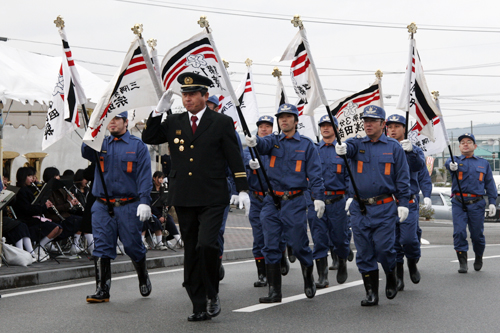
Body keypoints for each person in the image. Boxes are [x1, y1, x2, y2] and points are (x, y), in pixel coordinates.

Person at [142, 73, 250, 322]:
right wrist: (158, 111)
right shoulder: (174, 121)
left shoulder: (221, 122)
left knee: (208, 244)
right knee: (191, 250)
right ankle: (198, 304)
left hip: (213, 195)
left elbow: (234, 157)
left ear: (204, 96)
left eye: (192, 94)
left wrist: (242, 188)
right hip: (185, 196)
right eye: (185, 95)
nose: (187, 99)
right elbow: (149, 137)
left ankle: (212, 293)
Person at [246, 103, 325, 303]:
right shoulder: (273, 141)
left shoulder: (306, 145)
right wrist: (254, 141)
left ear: (296, 121)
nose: (284, 120)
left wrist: (319, 199)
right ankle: (275, 292)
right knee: (270, 245)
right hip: (272, 201)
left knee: (299, 246)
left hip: (295, 201)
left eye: (288, 117)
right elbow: (262, 146)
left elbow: (315, 175)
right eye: (281, 117)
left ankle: (308, 277)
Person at [336, 105, 410, 306]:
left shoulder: (393, 147)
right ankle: (371, 293)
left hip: (384, 206)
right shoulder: (356, 144)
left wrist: (403, 203)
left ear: (382, 124)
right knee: (364, 251)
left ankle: (391, 274)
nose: (367, 124)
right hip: (360, 208)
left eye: (372, 121)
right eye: (365, 121)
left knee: (385, 249)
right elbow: (347, 148)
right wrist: (341, 148)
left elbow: (402, 178)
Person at [82, 110, 153, 303]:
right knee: (102, 246)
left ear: (126, 122)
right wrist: (91, 130)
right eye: (109, 120)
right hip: (102, 204)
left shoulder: (137, 146)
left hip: (129, 204)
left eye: (116, 119)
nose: (112, 123)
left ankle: (142, 273)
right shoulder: (100, 143)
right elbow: (85, 151)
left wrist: (145, 201)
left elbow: (145, 176)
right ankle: (102, 289)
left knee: (132, 245)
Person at [245, 115, 288, 287]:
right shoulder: (250, 146)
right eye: (261, 126)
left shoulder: (276, 146)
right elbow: (243, 159)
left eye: (267, 126)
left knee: (279, 233)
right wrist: (250, 162)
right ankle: (262, 274)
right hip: (256, 198)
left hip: (275, 197)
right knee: (259, 236)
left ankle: (281, 254)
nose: (264, 129)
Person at [445, 133, 497, 273]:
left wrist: (492, 202)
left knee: (477, 234)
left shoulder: (483, 163)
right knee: (459, 232)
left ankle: (478, 256)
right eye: (462, 142)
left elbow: (490, 184)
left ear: (475, 146)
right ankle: (463, 262)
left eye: (469, 142)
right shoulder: (454, 160)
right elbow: (448, 164)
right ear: (459, 146)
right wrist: (451, 166)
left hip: (477, 203)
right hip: (458, 202)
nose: (465, 144)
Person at [385, 114, 426, 290]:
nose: (393, 130)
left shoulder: (414, 149)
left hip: (408, 201)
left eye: (397, 126)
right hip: (389, 202)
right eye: (390, 126)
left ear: (404, 129)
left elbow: (418, 166)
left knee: (409, 239)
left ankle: (412, 261)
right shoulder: (383, 147)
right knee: (393, 242)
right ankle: (398, 274)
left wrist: (410, 152)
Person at [314, 115, 351, 287]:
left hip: (338, 201)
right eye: (323, 126)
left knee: (339, 238)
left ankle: (342, 261)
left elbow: (350, 177)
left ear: (336, 129)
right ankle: (322, 276)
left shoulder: (343, 151)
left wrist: (351, 198)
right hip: (318, 201)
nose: (325, 128)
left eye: (329, 126)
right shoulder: (314, 150)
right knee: (319, 239)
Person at [11, 167, 63, 260]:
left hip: (33, 218)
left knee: (59, 229)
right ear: (23, 177)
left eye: (33, 176)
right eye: (30, 176)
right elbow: (27, 209)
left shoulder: (29, 189)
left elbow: (34, 205)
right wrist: (44, 207)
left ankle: (40, 247)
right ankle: (39, 248)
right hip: (26, 219)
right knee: (55, 228)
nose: (32, 179)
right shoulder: (21, 191)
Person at [42, 167, 85, 255]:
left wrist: (71, 200)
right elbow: (53, 209)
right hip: (56, 217)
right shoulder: (47, 190)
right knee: (79, 221)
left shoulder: (61, 188)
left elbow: (66, 203)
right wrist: (69, 204)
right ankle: (74, 245)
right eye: (57, 175)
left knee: (83, 219)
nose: (59, 178)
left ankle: (75, 245)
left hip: (65, 215)